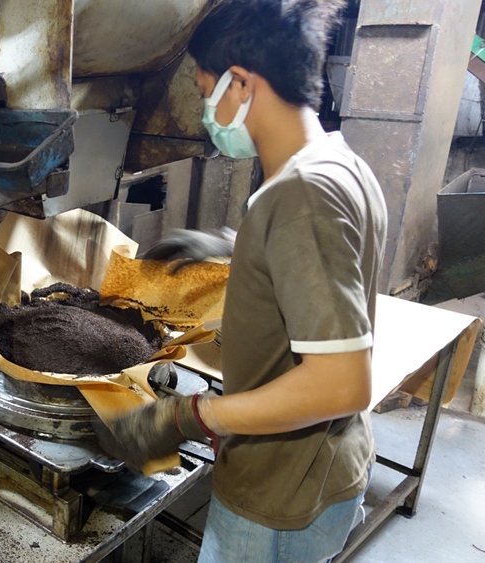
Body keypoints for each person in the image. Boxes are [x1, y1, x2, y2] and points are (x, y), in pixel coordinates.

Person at [100, 1, 388, 562]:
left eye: (207, 89)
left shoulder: (301, 199)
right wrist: (238, 250)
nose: (207, 109)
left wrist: (187, 415)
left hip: (281, 492)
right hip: (318, 472)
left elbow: (340, 384)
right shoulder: (336, 160)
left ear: (241, 83)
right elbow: (328, 263)